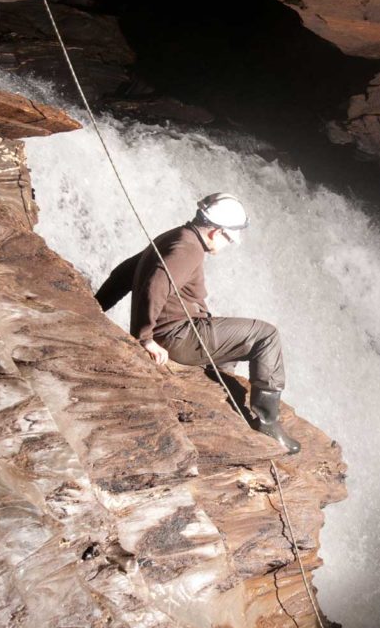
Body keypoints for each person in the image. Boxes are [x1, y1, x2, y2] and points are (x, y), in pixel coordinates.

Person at [96, 193, 300, 454]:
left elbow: (125, 272)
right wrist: (144, 338)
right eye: (229, 239)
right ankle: (268, 423)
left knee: (231, 343)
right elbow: (153, 286)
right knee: (266, 335)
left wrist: (96, 305)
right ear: (216, 232)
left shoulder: (175, 236)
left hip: (181, 330)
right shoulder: (188, 249)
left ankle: (224, 394)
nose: (228, 245)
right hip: (177, 336)